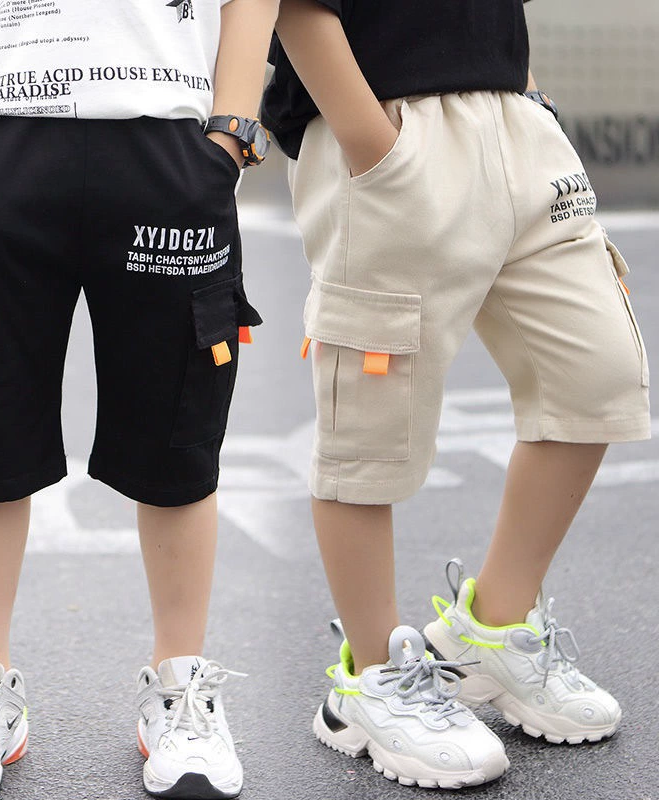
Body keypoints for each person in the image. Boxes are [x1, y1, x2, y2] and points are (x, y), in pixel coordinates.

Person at [262, 0, 651, 789]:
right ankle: (372, 679)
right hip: (388, 126)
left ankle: (493, 630)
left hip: (517, 126)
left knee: (599, 374)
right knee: (369, 428)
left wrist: (528, 101)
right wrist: (372, 142)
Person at [0, 0, 278, 797]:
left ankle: (179, 690)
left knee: (178, 436)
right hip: (2, 136)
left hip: (172, 145)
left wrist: (230, 133)